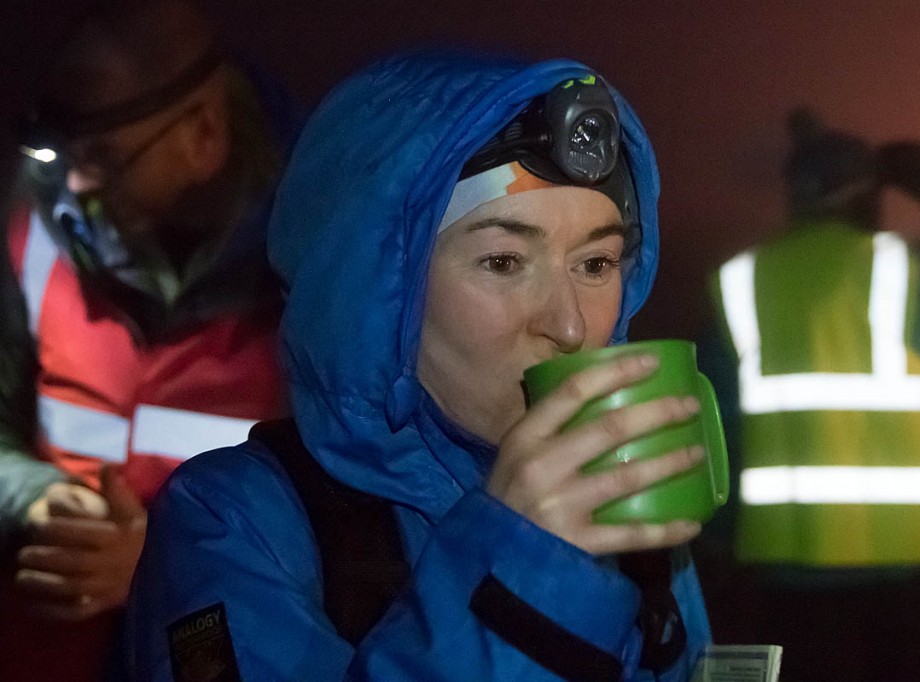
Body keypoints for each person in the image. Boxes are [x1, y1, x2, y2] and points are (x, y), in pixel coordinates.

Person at [121, 51, 716, 680]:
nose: (570, 327)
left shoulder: (631, 518)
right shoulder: (232, 522)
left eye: (595, 265)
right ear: (378, 292)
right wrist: (526, 580)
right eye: (504, 262)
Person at [0, 0, 299, 679]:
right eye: (63, 156)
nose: (74, 185)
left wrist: (165, 557)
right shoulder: (38, 213)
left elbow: (356, 521)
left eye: (103, 157)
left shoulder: (316, 265)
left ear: (204, 133)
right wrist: (39, 499)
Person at [703, 109, 920, 681]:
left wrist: (723, 547)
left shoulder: (740, 281)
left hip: (784, 573)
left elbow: (717, 424)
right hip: (904, 574)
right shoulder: (908, 273)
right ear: (871, 193)